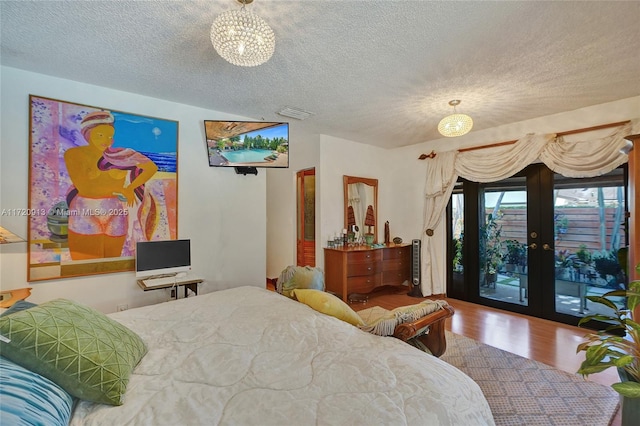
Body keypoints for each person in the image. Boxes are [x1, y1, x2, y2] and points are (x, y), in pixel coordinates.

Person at [64, 111, 158, 260]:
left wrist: (130, 188)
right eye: (100, 135)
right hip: (85, 210)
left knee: (113, 262)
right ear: (87, 134)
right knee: (83, 263)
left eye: (109, 136)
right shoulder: (74, 154)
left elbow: (152, 168)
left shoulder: (120, 155)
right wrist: (120, 189)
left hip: (116, 212)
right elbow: (85, 188)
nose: (106, 140)